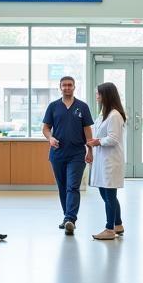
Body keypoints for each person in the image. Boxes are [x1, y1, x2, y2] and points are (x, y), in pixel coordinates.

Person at [41, 75, 94, 235]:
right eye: (64, 85)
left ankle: (71, 218)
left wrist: (90, 150)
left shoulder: (82, 107)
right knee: (63, 187)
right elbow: (45, 128)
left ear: (74, 87)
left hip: (77, 154)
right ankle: (67, 218)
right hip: (57, 154)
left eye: (70, 85)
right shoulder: (53, 106)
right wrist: (50, 138)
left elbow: (87, 131)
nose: (67, 88)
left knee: (72, 186)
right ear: (60, 87)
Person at [88, 82, 126, 240]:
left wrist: (97, 142)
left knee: (109, 196)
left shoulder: (115, 115)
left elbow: (113, 138)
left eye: (98, 94)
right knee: (106, 194)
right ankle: (118, 224)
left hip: (111, 161)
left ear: (106, 95)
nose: (96, 96)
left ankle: (109, 229)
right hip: (103, 159)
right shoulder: (104, 114)